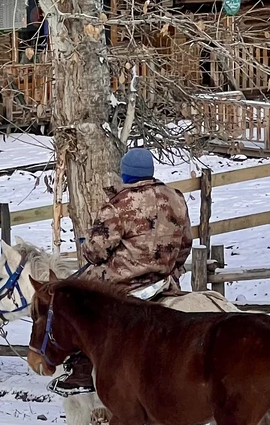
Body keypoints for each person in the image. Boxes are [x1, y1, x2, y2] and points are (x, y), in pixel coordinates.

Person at [47, 147, 193, 396]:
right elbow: (186, 242)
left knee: (80, 303)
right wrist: (174, 270)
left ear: (126, 174)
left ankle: (81, 370)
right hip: (165, 281)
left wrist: (87, 245)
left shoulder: (119, 205)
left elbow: (95, 253)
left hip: (124, 285)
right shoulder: (176, 198)